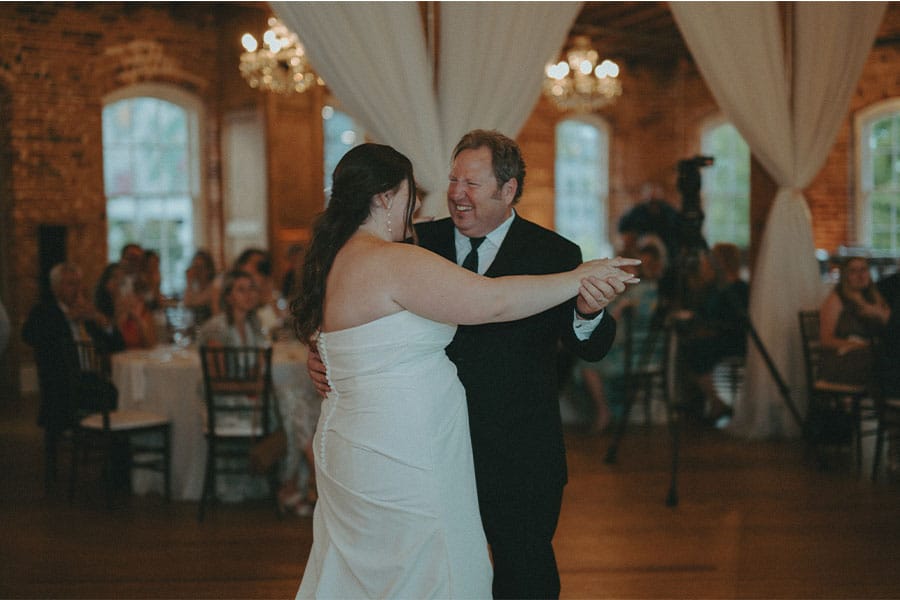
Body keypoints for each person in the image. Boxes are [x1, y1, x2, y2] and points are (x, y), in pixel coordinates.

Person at [300, 138, 638, 599]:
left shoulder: (555, 252)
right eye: (453, 180)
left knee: (524, 572)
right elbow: (486, 303)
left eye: (472, 183)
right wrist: (326, 355)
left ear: (508, 189)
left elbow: (592, 347)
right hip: (414, 451)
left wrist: (586, 310)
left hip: (514, 450)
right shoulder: (416, 243)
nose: (456, 193)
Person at [22, 263, 122, 487]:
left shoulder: (87, 312)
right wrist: (68, 318)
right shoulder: (46, 311)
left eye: (79, 284)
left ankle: (118, 469)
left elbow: (118, 345)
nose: (76, 290)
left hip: (94, 382)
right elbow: (29, 334)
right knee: (117, 396)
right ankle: (118, 467)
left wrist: (101, 320)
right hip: (64, 389)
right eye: (70, 284)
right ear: (56, 287)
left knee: (122, 393)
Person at [579, 237, 667, 432]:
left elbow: (611, 322)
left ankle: (604, 412)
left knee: (586, 365)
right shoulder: (645, 292)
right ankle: (610, 411)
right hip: (638, 350)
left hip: (634, 353)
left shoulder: (638, 294)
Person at [678, 242, 749, 422]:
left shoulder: (740, 289)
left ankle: (717, 403)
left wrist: (710, 330)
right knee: (686, 346)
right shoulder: (714, 288)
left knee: (697, 349)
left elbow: (736, 322)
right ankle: (698, 403)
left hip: (733, 339)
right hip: (715, 334)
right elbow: (703, 312)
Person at [819, 256, 890, 387]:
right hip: (844, 359)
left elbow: (892, 327)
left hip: (872, 355)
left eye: (863, 270)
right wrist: (861, 346)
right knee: (880, 359)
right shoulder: (836, 299)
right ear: (845, 276)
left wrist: (879, 313)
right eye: (853, 271)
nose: (860, 275)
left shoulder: (875, 298)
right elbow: (826, 340)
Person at [183, 249, 217, 326]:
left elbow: (193, 304)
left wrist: (189, 283)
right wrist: (189, 284)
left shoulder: (214, 287)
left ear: (209, 270)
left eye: (200, 267)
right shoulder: (195, 288)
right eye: (195, 267)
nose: (197, 272)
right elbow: (186, 305)